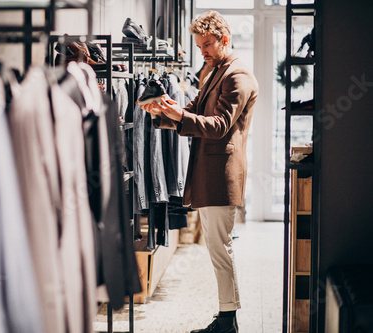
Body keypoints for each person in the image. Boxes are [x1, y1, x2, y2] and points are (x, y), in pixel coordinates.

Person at [141, 10, 258, 333]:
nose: (202, 51)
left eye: (207, 45)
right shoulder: (213, 70)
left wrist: (179, 114)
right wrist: (162, 112)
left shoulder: (237, 76)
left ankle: (227, 321)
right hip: (208, 170)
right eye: (199, 46)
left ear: (225, 39)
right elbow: (192, 112)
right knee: (218, 248)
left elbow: (219, 126)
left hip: (222, 173)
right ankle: (225, 318)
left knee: (221, 248)